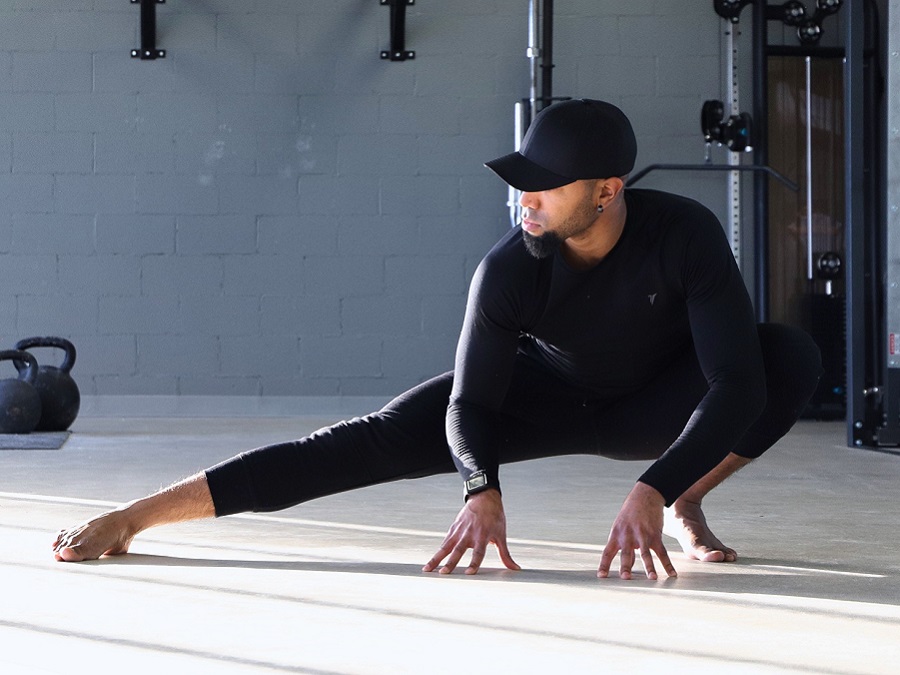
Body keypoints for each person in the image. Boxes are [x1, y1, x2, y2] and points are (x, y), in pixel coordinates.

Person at [53, 99, 822, 580]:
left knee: (786, 354)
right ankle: (139, 513)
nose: (525, 199)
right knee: (370, 437)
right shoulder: (509, 268)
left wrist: (655, 484)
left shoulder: (684, 233)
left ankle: (689, 495)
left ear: (606, 191)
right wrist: (478, 485)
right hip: (545, 395)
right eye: (522, 182)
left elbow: (736, 383)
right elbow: (469, 402)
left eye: (543, 186)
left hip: (662, 400)